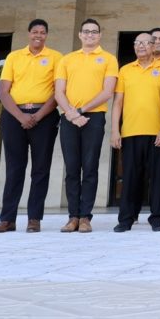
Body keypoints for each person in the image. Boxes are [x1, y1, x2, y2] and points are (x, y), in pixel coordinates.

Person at [0, 19, 62, 233]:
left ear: (46, 35)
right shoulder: (14, 57)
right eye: (34, 31)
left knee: (40, 169)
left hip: (44, 116)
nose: (38, 35)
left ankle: (34, 219)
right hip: (14, 116)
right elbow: (3, 92)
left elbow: (58, 92)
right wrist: (21, 116)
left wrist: (37, 115)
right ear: (29, 34)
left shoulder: (56, 57)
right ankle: (8, 219)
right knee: (14, 168)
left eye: (42, 32)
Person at [53, 19, 118, 233]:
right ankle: (72, 216)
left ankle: (85, 217)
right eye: (86, 32)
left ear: (100, 35)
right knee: (72, 168)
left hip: (94, 118)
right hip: (69, 118)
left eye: (94, 32)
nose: (90, 35)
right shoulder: (67, 59)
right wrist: (71, 114)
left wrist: (81, 111)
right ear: (80, 35)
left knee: (89, 168)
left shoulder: (108, 59)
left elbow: (107, 92)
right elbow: (58, 92)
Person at [111, 32, 160, 232]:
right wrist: (114, 130)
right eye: (137, 43)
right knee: (130, 177)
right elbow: (118, 102)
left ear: (154, 46)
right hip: (130, 132)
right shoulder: (125, 70)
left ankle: (157, 218)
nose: (141, 46)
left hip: (157, 132)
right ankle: (125, 219)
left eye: (145, 43)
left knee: (158, 178)